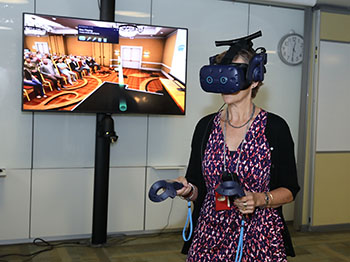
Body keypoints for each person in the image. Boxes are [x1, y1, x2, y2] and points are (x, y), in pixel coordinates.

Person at [176, 36, 300, 262]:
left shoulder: (275, 127)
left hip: (260, 237)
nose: (226, 81)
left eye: (235, 73)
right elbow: (198, 188)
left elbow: (290, 190)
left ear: (254, 79)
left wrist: (259, 199)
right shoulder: (205, 127)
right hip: (209, 236)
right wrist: (187, 189)